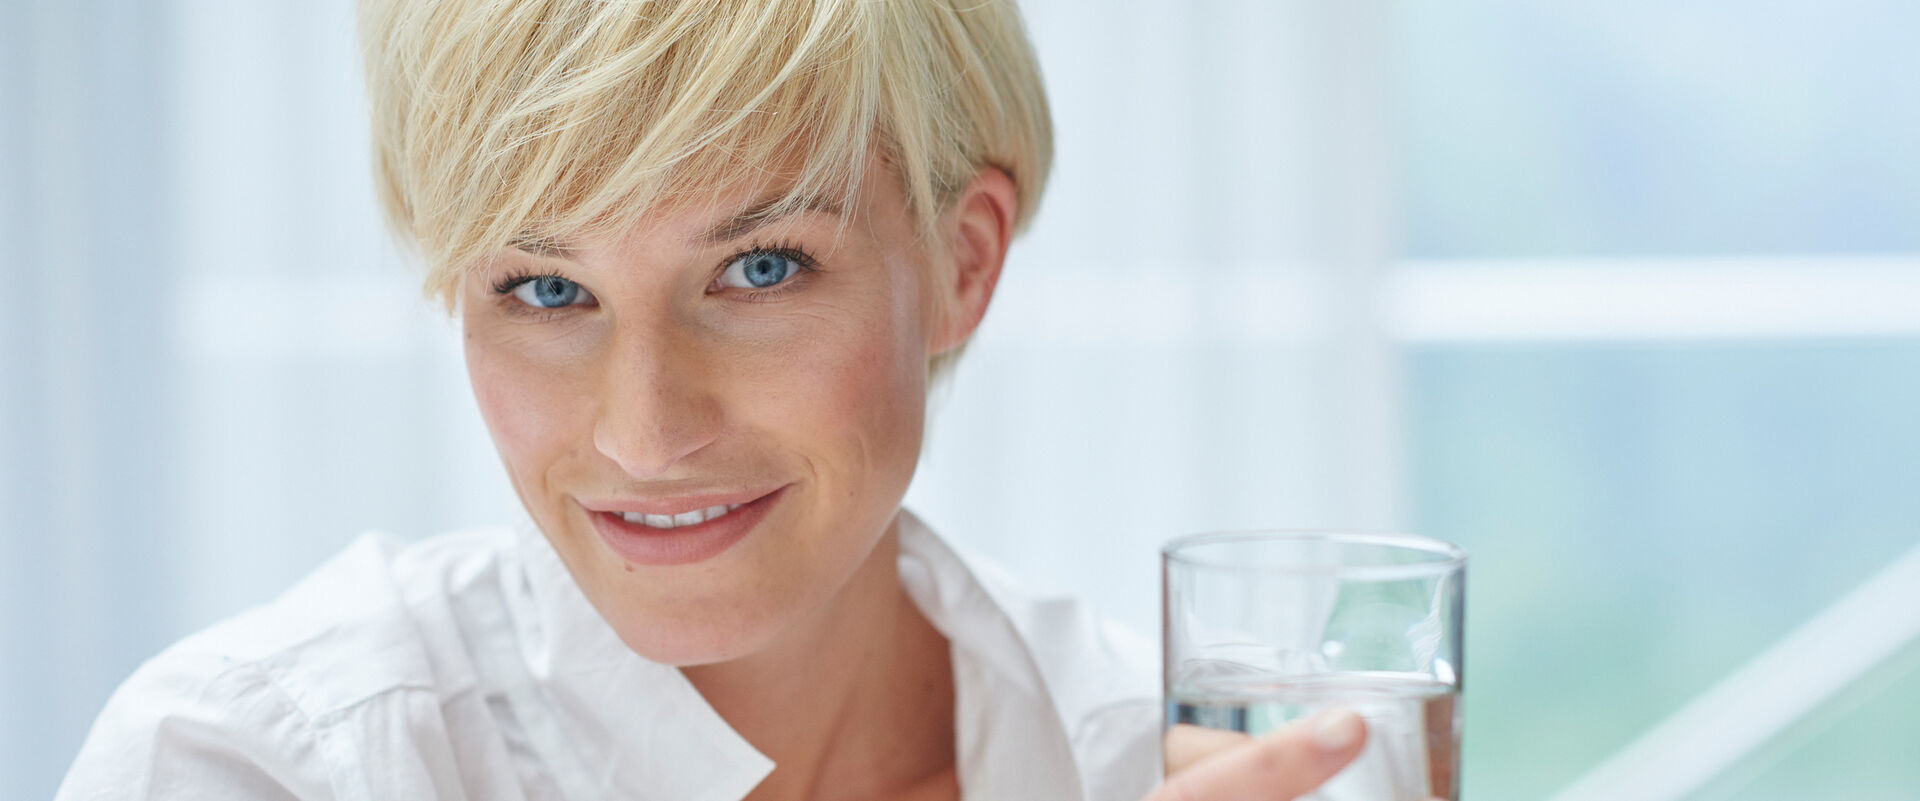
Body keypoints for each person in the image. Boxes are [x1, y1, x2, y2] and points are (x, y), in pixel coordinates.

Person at [57, 0, 1367, 799]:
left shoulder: (1173, 764)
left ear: (963, 262)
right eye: (545, 289)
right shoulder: (259, 766)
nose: (645, 431)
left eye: (758, 268)